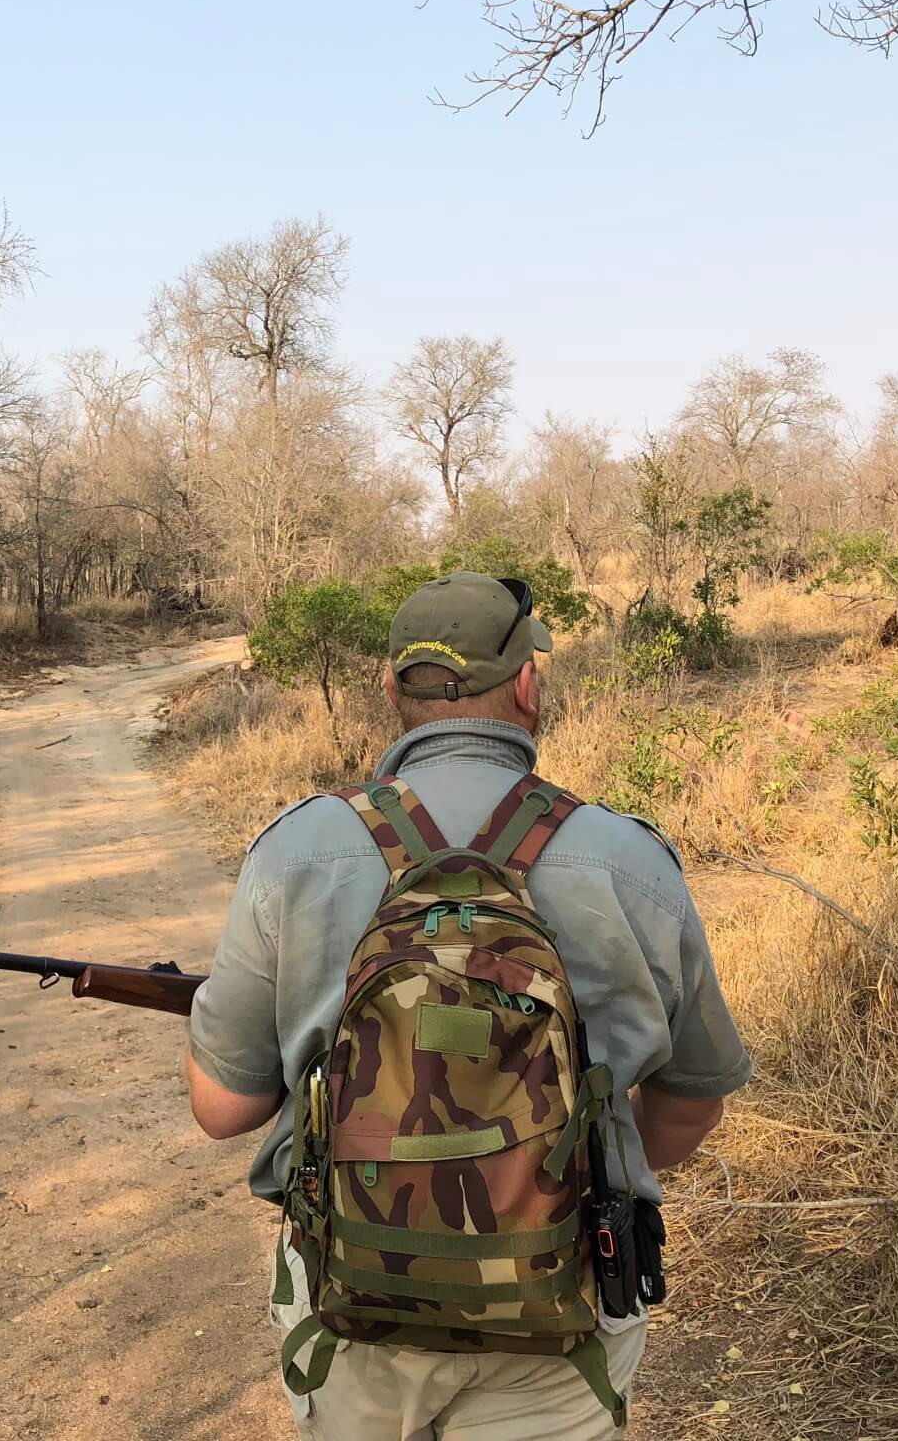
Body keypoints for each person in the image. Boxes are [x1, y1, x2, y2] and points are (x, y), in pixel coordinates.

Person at [183, 571, 751, 1440]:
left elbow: (224, 1109)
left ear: (390, 692)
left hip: (353, 1306)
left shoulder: (294, 851)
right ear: (528, 685)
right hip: (568, 1302)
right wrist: (545, 1178)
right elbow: (691, 1104)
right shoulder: (630, 860)